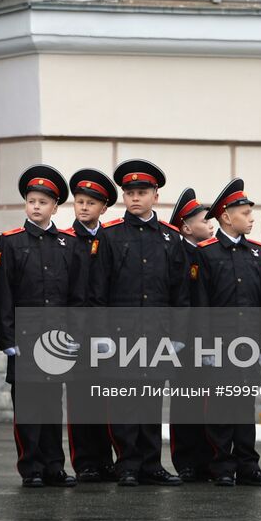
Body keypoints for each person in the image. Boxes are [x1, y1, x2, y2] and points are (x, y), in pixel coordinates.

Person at [87, 159, 187, 487]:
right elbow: (97, 290)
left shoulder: (171, 238)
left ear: (155, 196)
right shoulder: (111, 235)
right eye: (129, 192)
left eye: (142, 192)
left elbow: (180, 292)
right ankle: (127, 464)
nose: (135, 198)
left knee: (152, 399)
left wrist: (178, 336)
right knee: (126, 401)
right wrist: (101, 336)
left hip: (158, 334)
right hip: (121, 335)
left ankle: (152, 464)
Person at [0, 164, 80, 488]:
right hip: (25, 338)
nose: (36, 206)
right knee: (28, 406)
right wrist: (7, 338)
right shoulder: (11, 242)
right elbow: (3, 293)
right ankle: (31, 466)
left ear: (55, 207)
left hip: (57, 340)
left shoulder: (66, 244)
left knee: (50, 404)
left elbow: (75, 295)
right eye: (31, 201)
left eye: (43, 202)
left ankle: (54, 466)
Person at [195, 178, 261, 487]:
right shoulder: (207, 254)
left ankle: (247, 464)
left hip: (249, 345)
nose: (252, 218)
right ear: (226, 216)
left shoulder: (258, 253)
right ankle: (222, 465)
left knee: (245, 405)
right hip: (220, 344)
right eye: (245, 212)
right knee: (221, 406)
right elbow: (200, 306)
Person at [64, 167, 117, 483]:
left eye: (90, 203)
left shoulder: (110, 239)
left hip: (106, 333)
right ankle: (85, 461)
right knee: (81, 399)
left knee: (104, 399)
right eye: (79, 202)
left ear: (103, 208)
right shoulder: (64, 241)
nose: (84, 207)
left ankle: (105, 459)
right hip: (75, 333)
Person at [168, 187, 215, 483]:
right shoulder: (177, 253)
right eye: (205, 221)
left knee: (205, 402)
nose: (211, 225)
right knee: (185, 401)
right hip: (183, 340)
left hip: (206, 339)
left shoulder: (208, 253)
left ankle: (206, 459)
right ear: (186, 226)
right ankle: (186, 460)